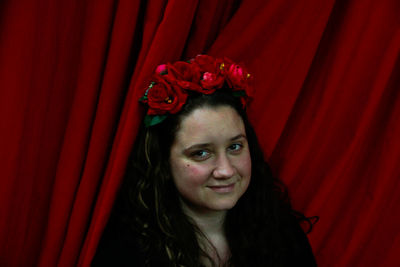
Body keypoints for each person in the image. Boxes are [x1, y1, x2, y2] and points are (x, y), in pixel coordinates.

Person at [92, 55, 317, 266]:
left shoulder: (280, 234)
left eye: (235, 147)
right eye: (201, 153)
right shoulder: (128, 251)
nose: (226, 170)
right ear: (164, 163)